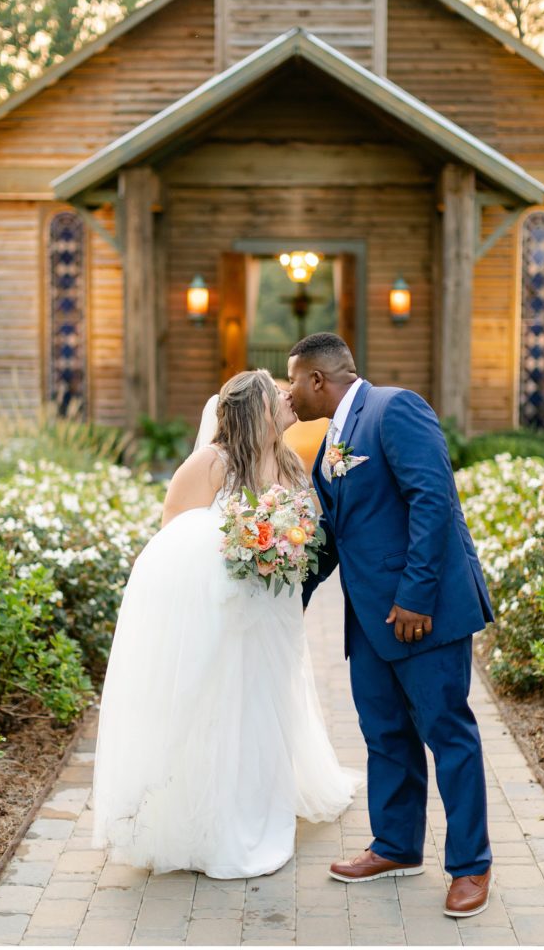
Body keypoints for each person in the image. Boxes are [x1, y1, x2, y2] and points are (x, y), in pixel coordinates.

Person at [90, 368, 362, 879]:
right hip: (221, 609)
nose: (287, 397)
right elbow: (173, 535)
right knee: (219, 704)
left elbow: (307, 526)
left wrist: (285, 544)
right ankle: (211, 820)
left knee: (264, 702)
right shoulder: (212, 462)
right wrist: (242, 546)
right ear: (255, 409)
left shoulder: (289, 462)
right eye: (276, 394)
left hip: (272, 608)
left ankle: (258, 802)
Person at [287, 332, 494, 918]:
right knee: (385, 734)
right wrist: (286, 594)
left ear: (319, 380)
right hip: (370, 619)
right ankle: (397, 846)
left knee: (447, 734)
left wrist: (416, 597)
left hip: (419, 613)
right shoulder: (332, 436)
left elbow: (433, 499)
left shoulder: (395, 408)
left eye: (293, 381)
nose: (289, 393)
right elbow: (337, 530)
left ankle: (471, 866)